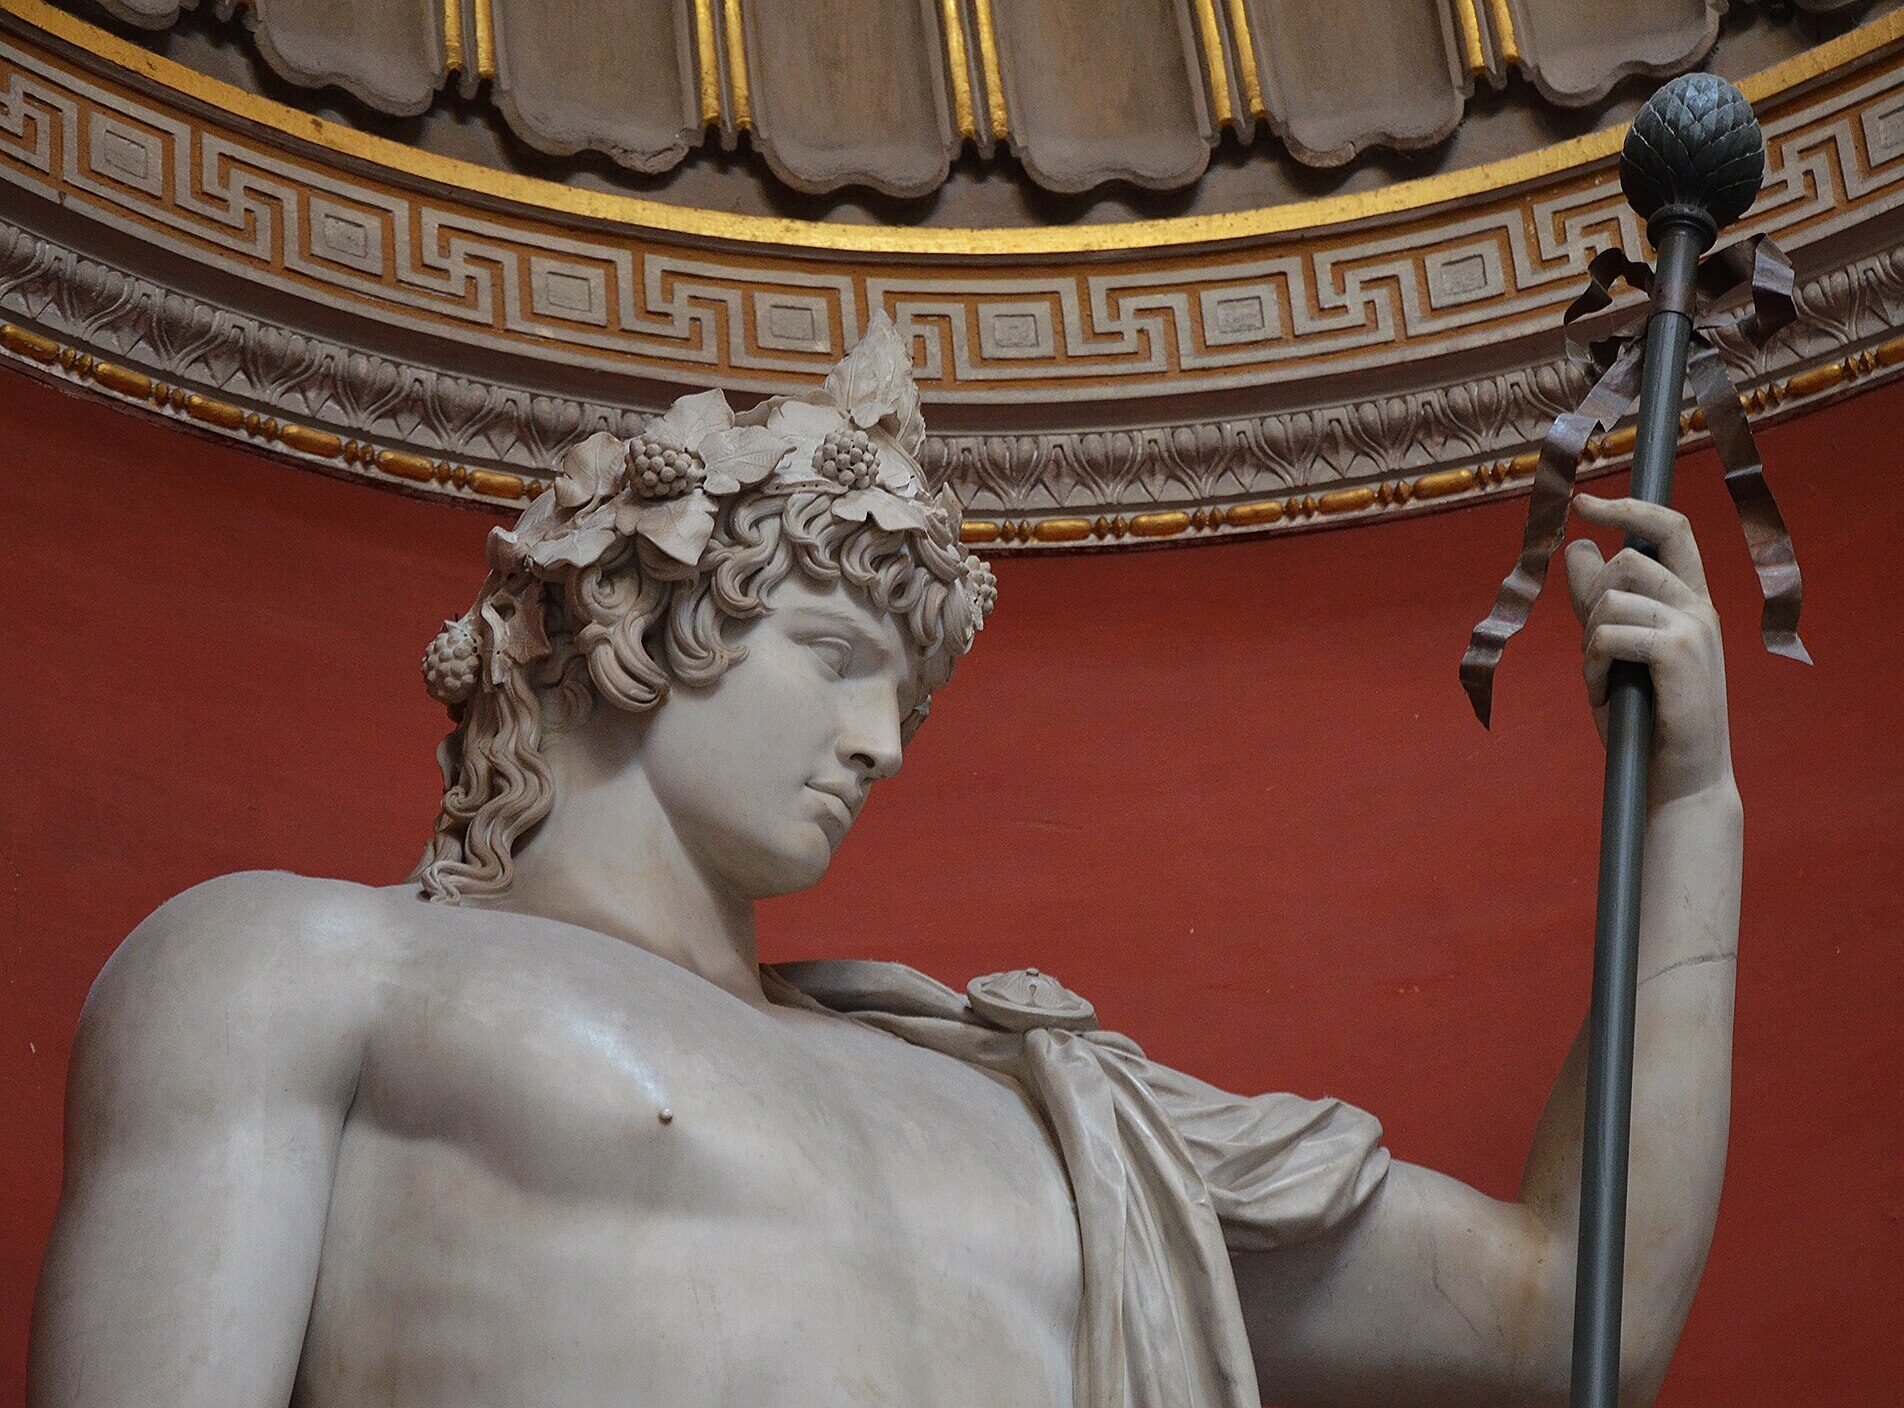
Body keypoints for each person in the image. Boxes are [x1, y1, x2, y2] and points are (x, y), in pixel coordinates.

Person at [28, 317, 1744, 1408]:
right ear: (638, 619)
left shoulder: (1042, 1112)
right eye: (839, 652)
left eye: (909, 692)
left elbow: (1561, 1310)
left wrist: (1687, 809)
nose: (886, 738)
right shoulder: (305, 971)